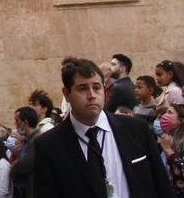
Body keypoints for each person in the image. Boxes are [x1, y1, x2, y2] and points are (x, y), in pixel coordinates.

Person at [32, 57, 174, 198]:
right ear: (67, 94)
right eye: (82, 89)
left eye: (96, 87)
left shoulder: (136, 130)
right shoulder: (48, 146)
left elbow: (162, 186)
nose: (92, 95)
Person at [10, 107, 39, 198]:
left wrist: (12, 167)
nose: (15, 124)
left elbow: (23, 166)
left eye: (17, 120)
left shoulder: (37, 140)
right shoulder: (27, 140)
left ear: (25, 123)